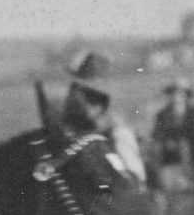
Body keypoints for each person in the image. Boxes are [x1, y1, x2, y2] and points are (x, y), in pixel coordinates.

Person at [57, 52, 147, 183]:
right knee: (122, 134)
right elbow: (91, 117)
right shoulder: (80, 93)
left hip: (86, 132)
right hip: (86, 134)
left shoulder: (82, 91)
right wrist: (111, 123)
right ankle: (136, 180)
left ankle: (134, 178)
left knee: (124, 134)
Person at [148, 79, 194, 191]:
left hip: (191, 147)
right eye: (173, 93)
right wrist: (167, 141)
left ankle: (188, 176)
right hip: (170, 149)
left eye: (181, 93)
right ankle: (158, 180)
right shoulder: (163, 114)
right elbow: (157, 134)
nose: (177, 96)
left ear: (186, 95)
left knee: (185, 143)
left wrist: (180, 138)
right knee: (156, 148)